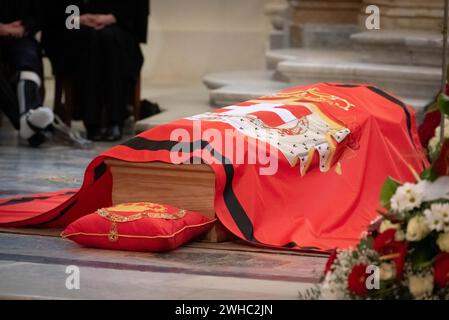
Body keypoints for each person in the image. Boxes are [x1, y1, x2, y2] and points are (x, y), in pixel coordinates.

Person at [42, 0, 149, 142]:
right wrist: (77, 18)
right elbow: (50, 12)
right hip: (72, 25)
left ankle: (115, 119)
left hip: (117, 25)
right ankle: (91, 122)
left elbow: (136, 10)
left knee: (111, 40)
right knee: (89, 40)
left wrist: (113, 17)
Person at [0, 0, 55, 147]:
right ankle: (30, 127)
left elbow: (40, 14)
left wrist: (25, 27)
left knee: (28, 56)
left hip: (21, 36)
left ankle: (28, 120)